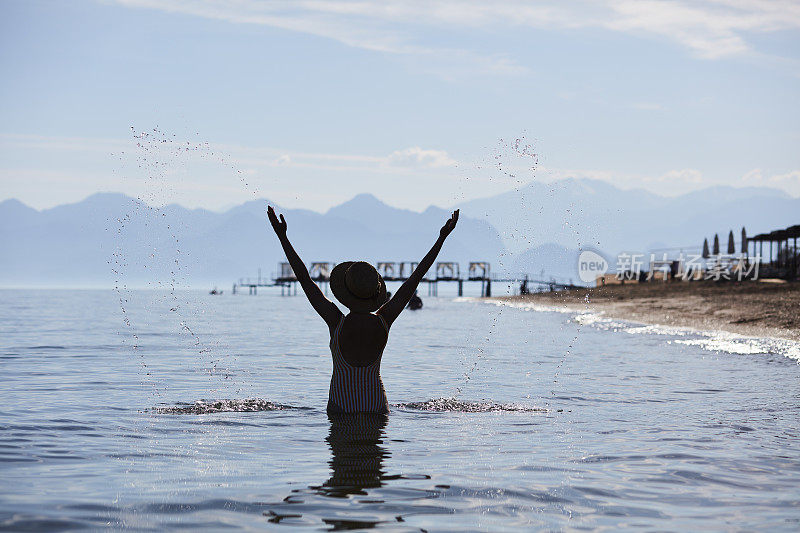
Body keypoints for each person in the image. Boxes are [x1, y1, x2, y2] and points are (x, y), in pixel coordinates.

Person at [267, 205, 459, 414]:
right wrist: (442, 238)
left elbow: (305, 279)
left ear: (345, 291)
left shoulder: (335, 321)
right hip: (376, 405)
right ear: (375, 294)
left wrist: (282, 237)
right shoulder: (384, 319)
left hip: (341, 406)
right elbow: (416, 277)